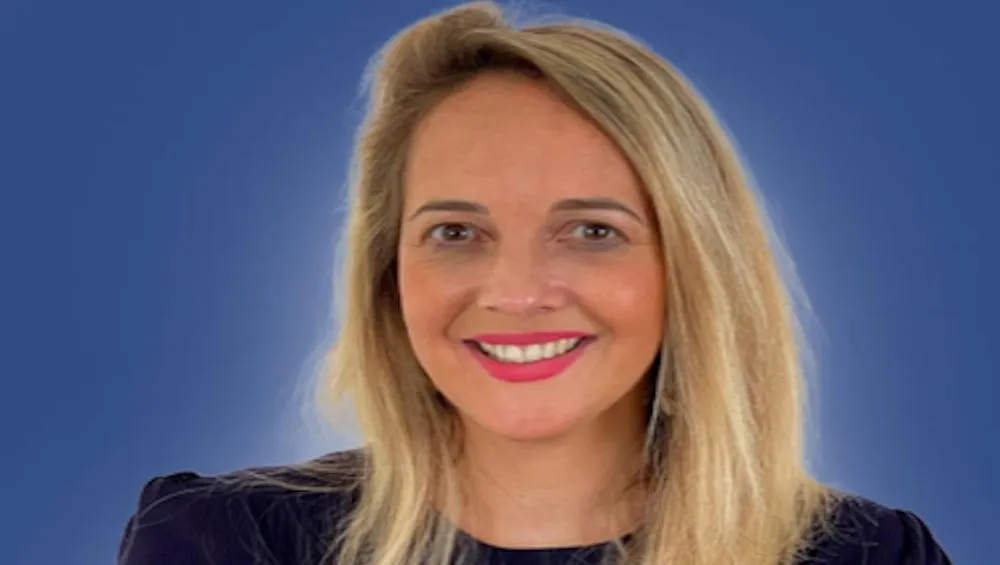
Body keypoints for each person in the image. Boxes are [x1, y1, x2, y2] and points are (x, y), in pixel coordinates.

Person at [117, 2, 953, 564]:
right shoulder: (224, 543)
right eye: (455, 232)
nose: (517, 292)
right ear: (388, 273)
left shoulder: (866, 554)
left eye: (592, 231)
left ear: (693, 267)